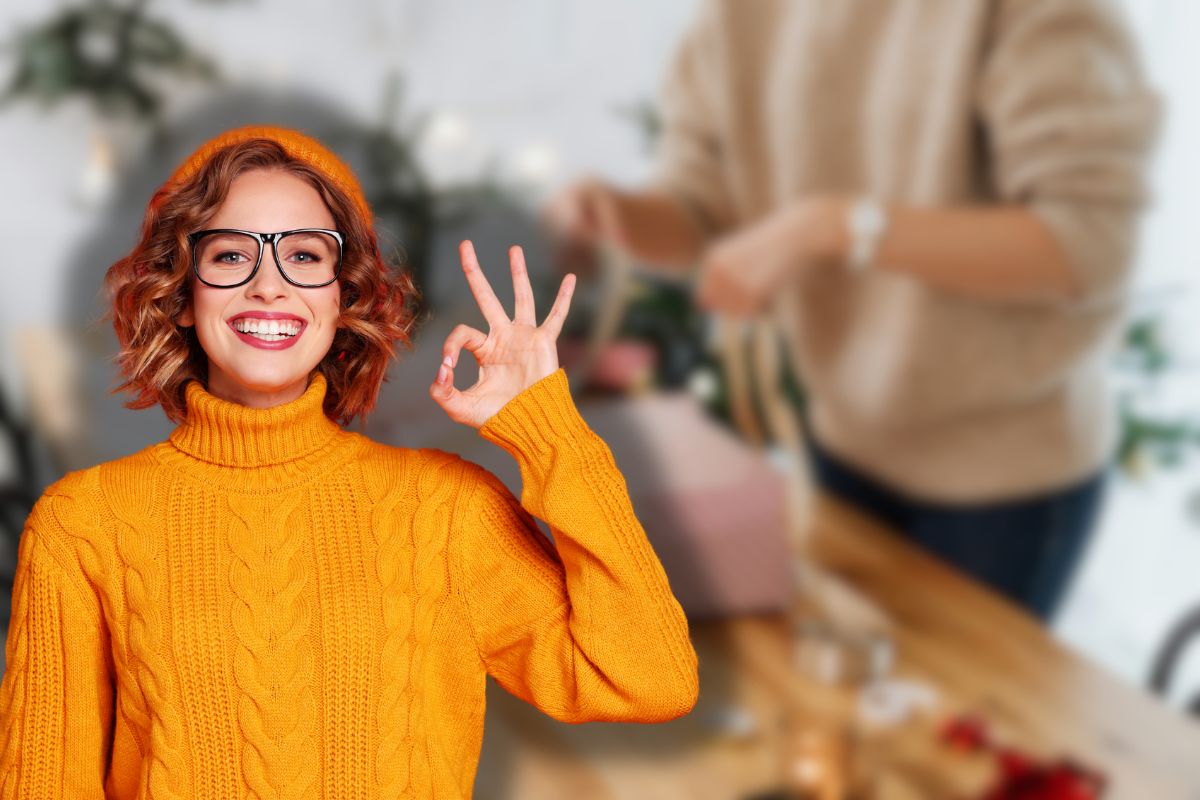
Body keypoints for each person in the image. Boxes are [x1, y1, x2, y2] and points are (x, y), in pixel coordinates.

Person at [0, 125, 698, 798]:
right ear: (182, 294)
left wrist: (549, 431)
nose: (268, 285)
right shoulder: (82, 526)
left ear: (344, 296)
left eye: (304, 256)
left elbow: (649, 679)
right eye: (230, 255)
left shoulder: (447, 511)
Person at [545, 0, 1161, 621]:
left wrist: (836, 227)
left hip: (1006, 483)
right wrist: (615, 215)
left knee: (955, 714)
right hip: (843, 442)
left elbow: (1089, 243)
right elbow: (700, 206)